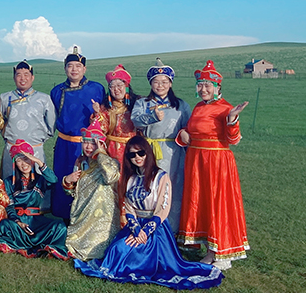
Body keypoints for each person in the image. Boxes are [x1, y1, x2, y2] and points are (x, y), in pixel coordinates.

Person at [75, 136, 224, 288]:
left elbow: (163, 208)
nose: (137, 157)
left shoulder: (161, 177)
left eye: (141, 153)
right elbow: (129, 207)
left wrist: (145, 232)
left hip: (155, 228)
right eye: (132, 155)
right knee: (117, 248)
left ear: (148, 153)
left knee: (130, 251)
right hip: (135, 226)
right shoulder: (130, 178)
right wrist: (136, 230)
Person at [177, 60, 250, 270]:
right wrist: (183, 133)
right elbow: (192, 131)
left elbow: (233, 139)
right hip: (197, 161)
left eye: (208, 85)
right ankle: (209, 249)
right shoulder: (199, 107)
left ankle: (222, 252)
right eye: (200, 85)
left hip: (217, 163)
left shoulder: (226, 108)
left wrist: (232, 119)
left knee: (218, 204)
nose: (203, 89)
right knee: (201, 202)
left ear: (217, 87)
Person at [131, 58, 191, 233]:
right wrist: (152, 117)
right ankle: (148, 229)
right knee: (150, 187)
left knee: (172, 188)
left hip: (174, 153)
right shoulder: (143, 103)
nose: (160, 85)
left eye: (164, 82)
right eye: (156, 82)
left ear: (170, 84)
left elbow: (188, 127)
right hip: (149, 151)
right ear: (151, 84)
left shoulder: (181, 105)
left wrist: (185, 134)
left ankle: (171, 231)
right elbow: (135, 120)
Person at [49, 46, 105, 220]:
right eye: (70, 66)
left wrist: (98, 113)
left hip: (88, 144)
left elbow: (106, 118)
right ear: (65, 68)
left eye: (78, 66)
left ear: (84, 69)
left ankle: (86, 218)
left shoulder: (96, 89)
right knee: (64, 176)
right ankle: (63, 217)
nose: (74, 69)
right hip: (64, 143)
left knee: (87, 179)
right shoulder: (56, 91)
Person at [0, 140, 68, 259]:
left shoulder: (41, 180)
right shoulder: (8, 182)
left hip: (36, 220)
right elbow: (10, 206)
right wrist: (18, 222)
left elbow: (53, 180)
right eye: (19, 160)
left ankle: (36, 245)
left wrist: (39, 162)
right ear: (14, 163)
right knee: (4, 225)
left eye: (27, 159)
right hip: (18, 221)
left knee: (60, 226)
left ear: (32, 160)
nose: (24, 164)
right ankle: (36, 245)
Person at [62, 119, 120, 261]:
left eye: (93, 143)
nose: (88, 146)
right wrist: (67, 181)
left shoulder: (110, 163)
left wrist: (101, 154)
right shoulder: (80, 162)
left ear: (101, 144)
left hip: (101, 220)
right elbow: (73, 193)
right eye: (86, 142)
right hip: (81, 217)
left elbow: (110, 177)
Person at [0, 60, 56, 180]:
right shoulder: (4, 98)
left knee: (37, 183)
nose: (22, 78)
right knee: (10, 182)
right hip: (11, 149)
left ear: (32, 77)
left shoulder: (44, 99)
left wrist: (38, 140)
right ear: (14, 78)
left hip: (35, 149)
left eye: (26, 74)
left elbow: (51, 125)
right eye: (19, 75)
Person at [90, 64, 139, 167]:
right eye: (112, 86)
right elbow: (101, 130)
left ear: (126, 86)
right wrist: (97, 113)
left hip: (134, 148)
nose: (116, 89)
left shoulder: (137, 104)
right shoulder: (105, 107)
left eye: (119, 85)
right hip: (111, 149)